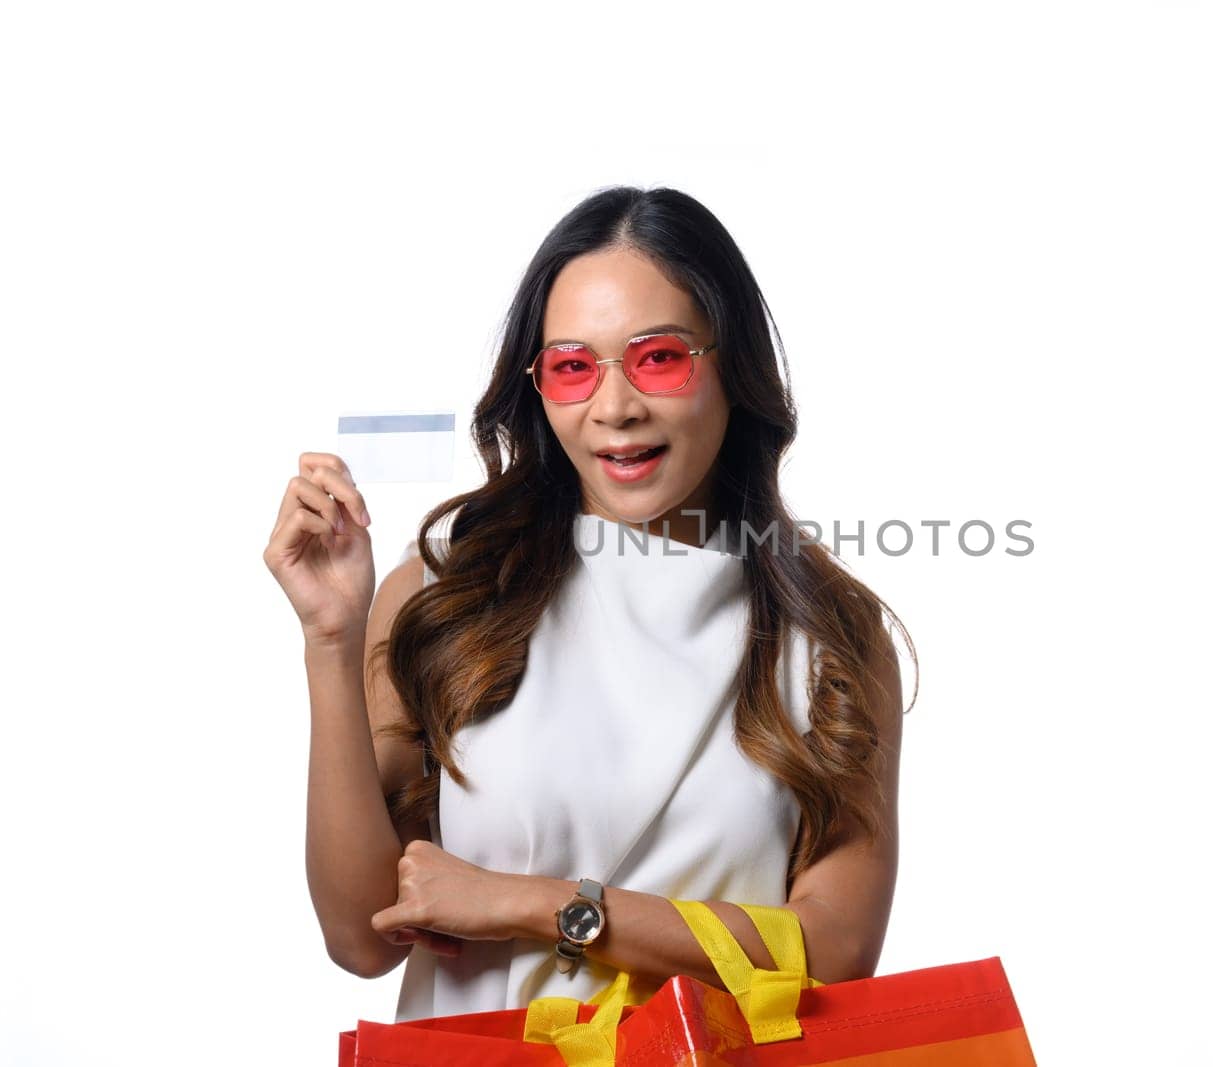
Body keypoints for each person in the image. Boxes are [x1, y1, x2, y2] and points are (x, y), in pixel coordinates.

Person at [263, 185, 916, 1021]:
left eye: (659, 357)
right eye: (573, 367)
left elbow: (836, 949)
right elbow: (361, 936)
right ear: (537, 387)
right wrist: (330, 637)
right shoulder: (448, 590)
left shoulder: (827, 632)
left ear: (734, 366)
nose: (615, 408)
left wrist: (534, 905)